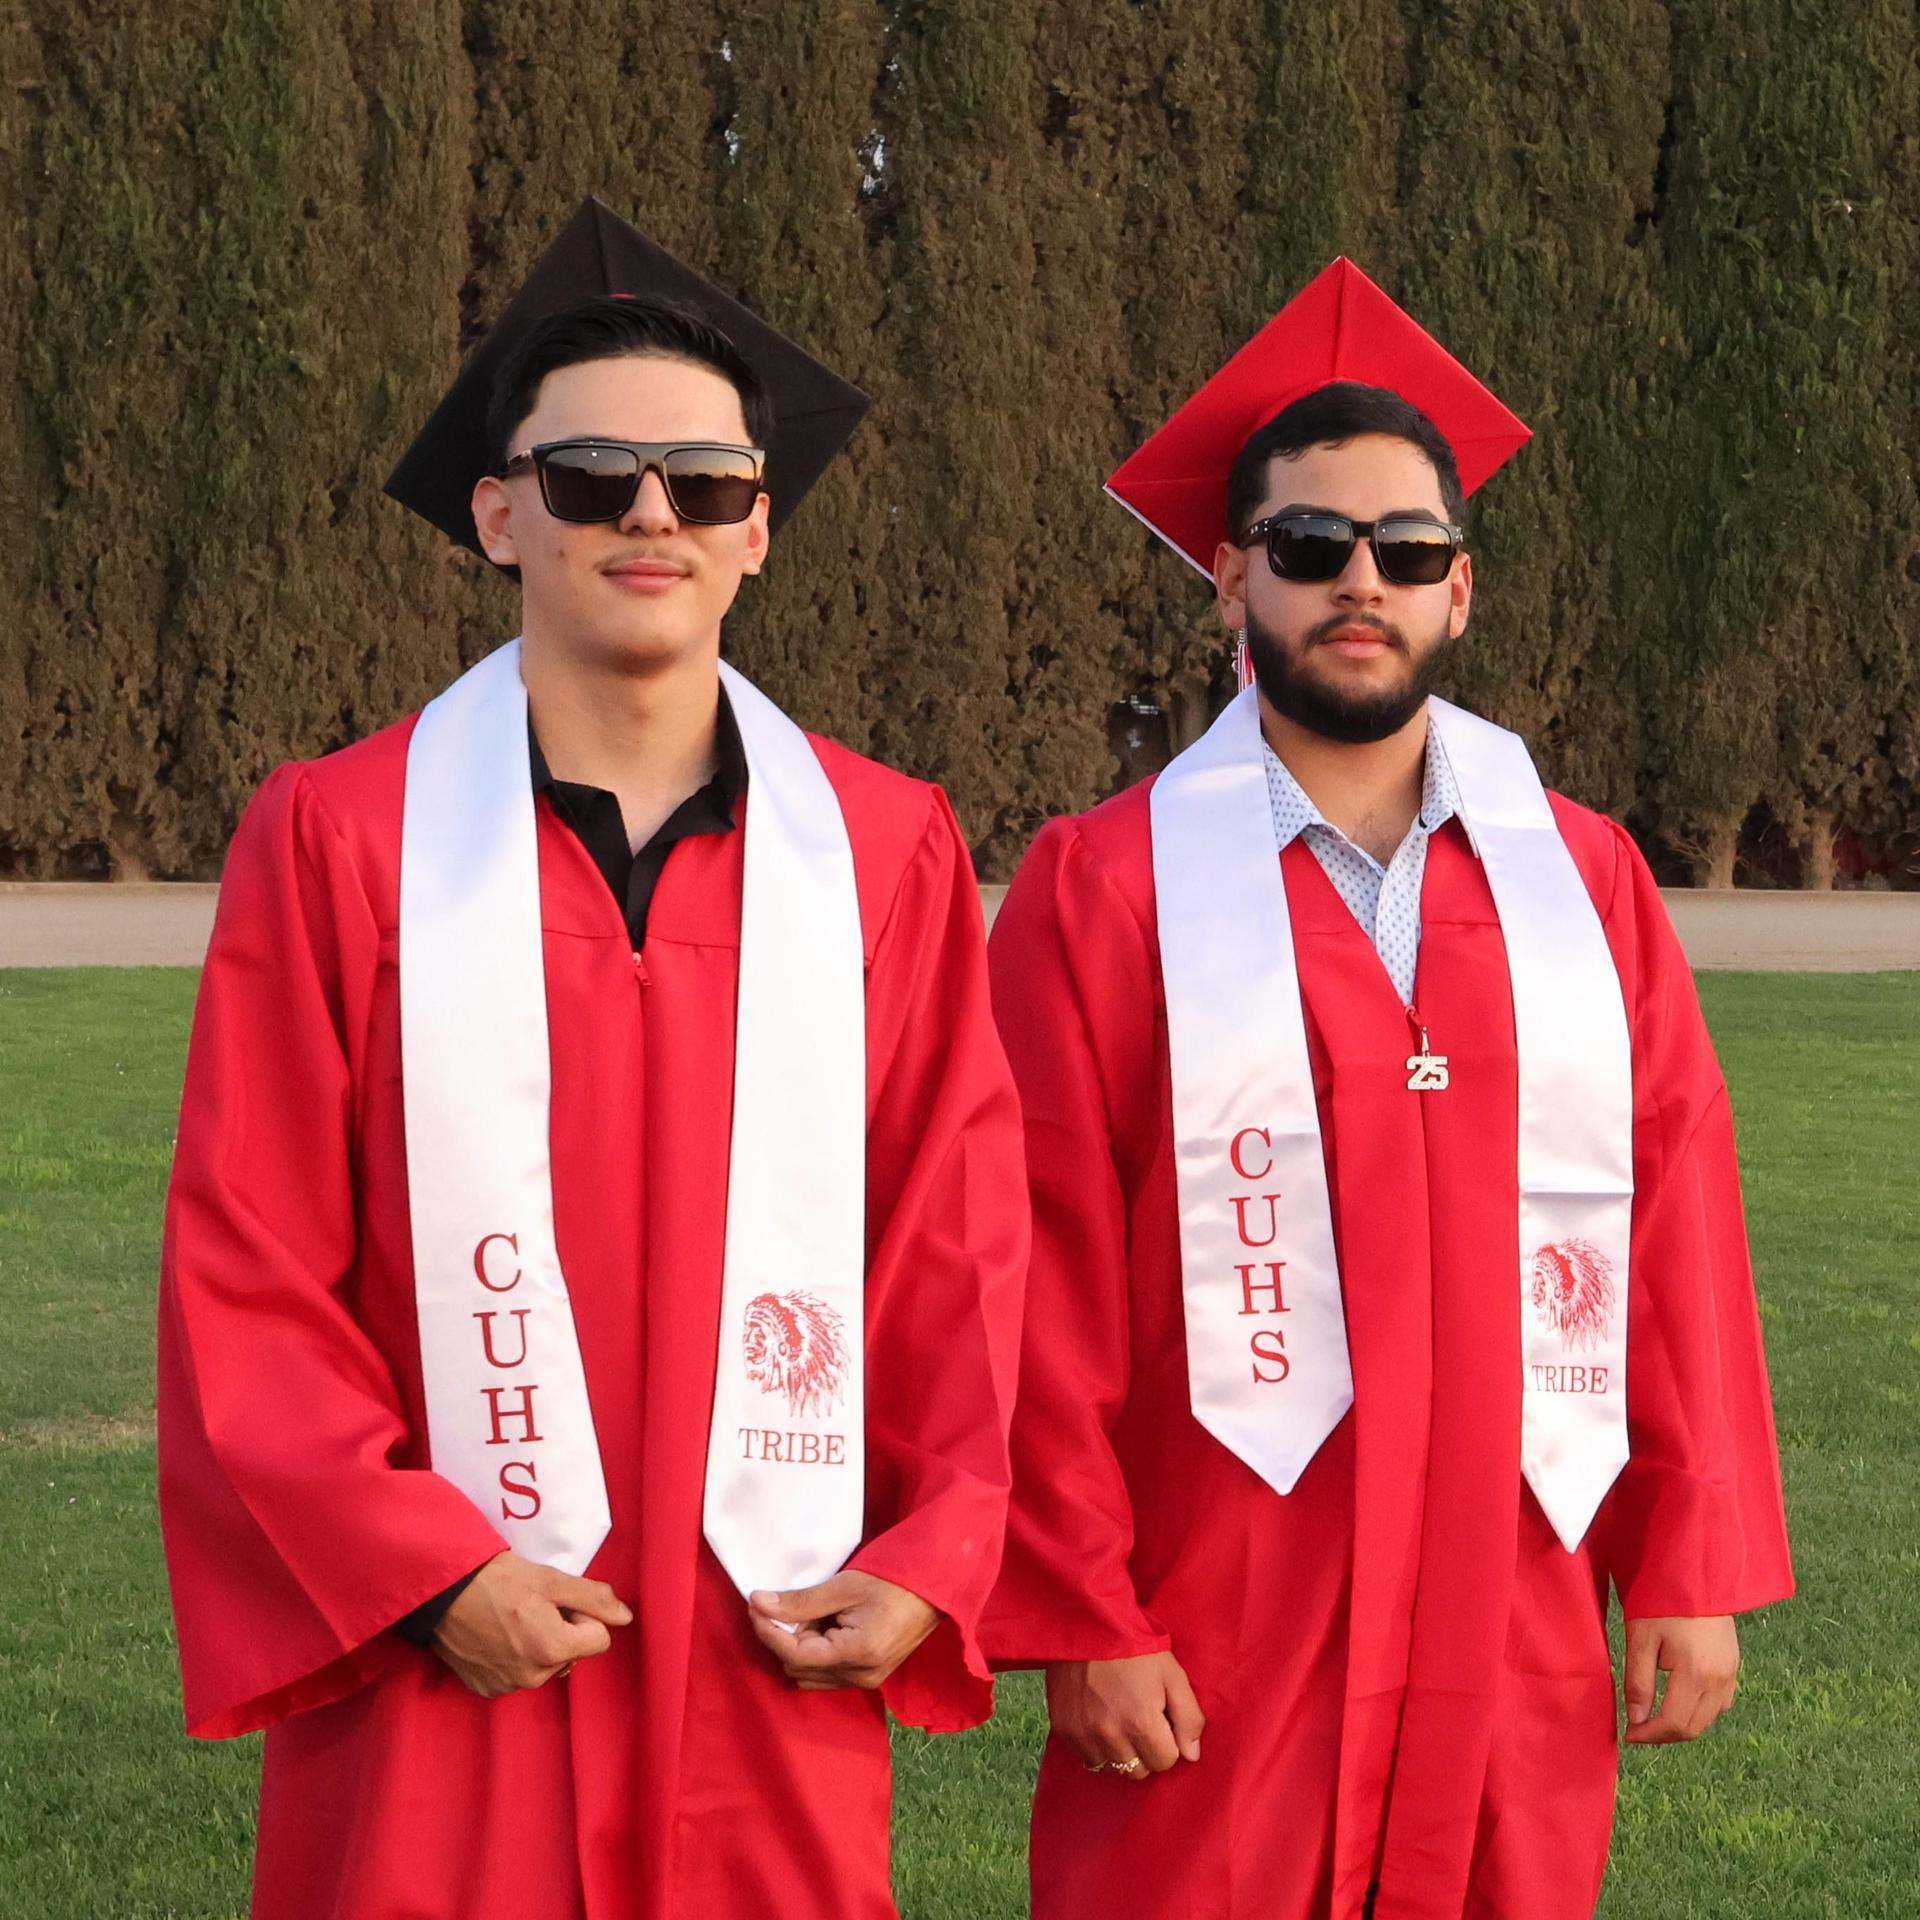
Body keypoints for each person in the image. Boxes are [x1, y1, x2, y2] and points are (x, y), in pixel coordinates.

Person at [157, 197, 1029, 1920]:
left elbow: (956, 1231)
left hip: (767, 1623)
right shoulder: (340, 837)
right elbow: (247, 1261)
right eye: (588, 476)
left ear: (758, 533)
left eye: (704, 484)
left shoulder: (882, 846)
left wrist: (932, 1557)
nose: (651, 513)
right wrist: (419, 1573)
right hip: (456, 1648)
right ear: (498, 512)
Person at [982, 259, 1792, 1920]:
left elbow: (1677, 1225)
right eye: (1308, 547)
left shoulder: (1586, 879)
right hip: (1223, 1597)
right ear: (1230, 580)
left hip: (1515, 1587)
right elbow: (1027, 1272)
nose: (1361, 583)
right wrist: (1084, 1606)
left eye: (1406, 553)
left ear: (1461, 592)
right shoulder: (1102, 887)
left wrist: (1689, 1562)